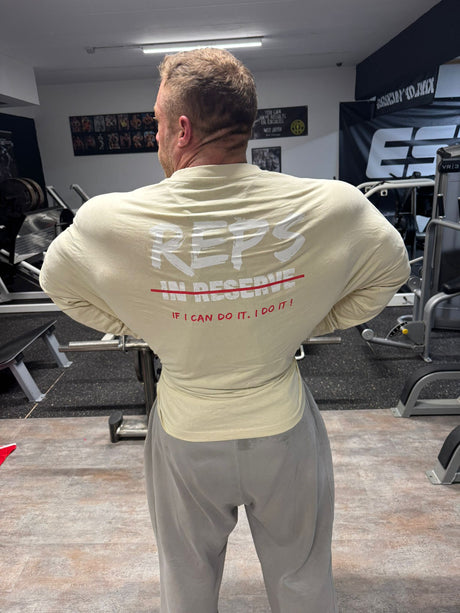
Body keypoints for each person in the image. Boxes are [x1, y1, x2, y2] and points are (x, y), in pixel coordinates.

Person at [39, 48, 410, 613]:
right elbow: (390, 271)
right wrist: (303, 321)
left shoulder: (108, 221)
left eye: (158, 124)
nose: (155, 137)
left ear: (183, 129)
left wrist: (151, 324)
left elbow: (60, 286)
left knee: (186, 585)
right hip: (282, 430)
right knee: (303, 582)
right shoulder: (333, 204)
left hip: (186, 433)